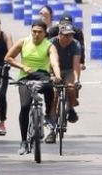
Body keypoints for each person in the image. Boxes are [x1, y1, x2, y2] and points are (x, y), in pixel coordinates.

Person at [4, 20, 62, 155]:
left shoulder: (49, 46)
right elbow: (8, 58)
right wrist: (22, 66)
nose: (36, 34)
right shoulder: (23, 42)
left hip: (42, 76)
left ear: (45, 33)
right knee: (24, 106)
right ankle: (24, 141)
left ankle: (48, 115)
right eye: (34, 31)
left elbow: (54, 62)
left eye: (39, 32)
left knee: (49, 87)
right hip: (26, 77)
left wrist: (58, 76)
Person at [49, 23, 82, 135]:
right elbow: (48, 62)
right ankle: (52, 129)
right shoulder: (51, 43)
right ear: (59, 35)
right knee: (54, 97)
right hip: (53, 70)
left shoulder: (76, 44)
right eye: (66, 35)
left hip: (68, 70)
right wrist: (51, 76)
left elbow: (76, 64)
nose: (68, 38)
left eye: (71, 35)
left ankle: (70, 108)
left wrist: (76, 79)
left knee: (71, 88)